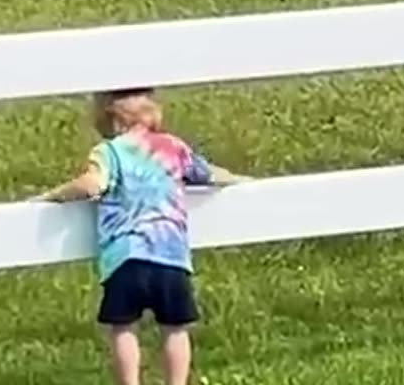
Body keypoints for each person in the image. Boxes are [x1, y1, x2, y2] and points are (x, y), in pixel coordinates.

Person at [35, 87, 251, 385]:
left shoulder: (109, 152)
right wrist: (242, 181)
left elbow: (92, 185)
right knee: (175, 327)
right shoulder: (173, 147)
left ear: (107, 117)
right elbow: (207, 174)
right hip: (171, 255)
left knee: (123, 327)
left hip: (126, 257)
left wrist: (51, 196)